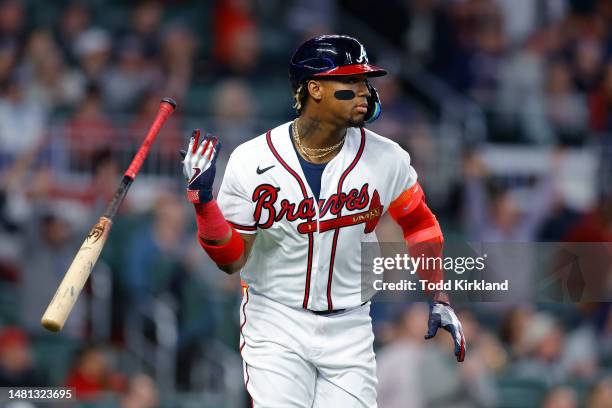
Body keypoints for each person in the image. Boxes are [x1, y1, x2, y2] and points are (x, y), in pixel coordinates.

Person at [180, 35, 466, 406]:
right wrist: (204, 205)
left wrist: (439, 294)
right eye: (350, 81)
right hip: (276, 319)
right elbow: (232, 259)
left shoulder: (386, 157)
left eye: (365, 81)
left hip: (350, 326)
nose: (364, 91)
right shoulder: (251, 160)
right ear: (314, 88)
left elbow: (420, 224)